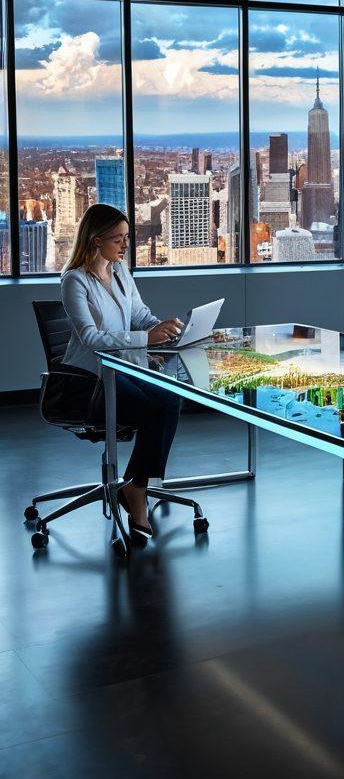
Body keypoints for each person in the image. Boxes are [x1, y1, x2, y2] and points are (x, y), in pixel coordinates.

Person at [60, 203, 185, 542]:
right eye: (118, 239)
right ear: (95, 240)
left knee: (172, 400)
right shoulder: (75, 281)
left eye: (127, 238)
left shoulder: (120, 271)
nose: (125, 246)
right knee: (152, 409)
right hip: (90, 382)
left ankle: (136, 486)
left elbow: (140, 315)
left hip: (124, 371)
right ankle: (136, 492)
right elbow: (91, 338)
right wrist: (146, 337)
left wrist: (164, 327)